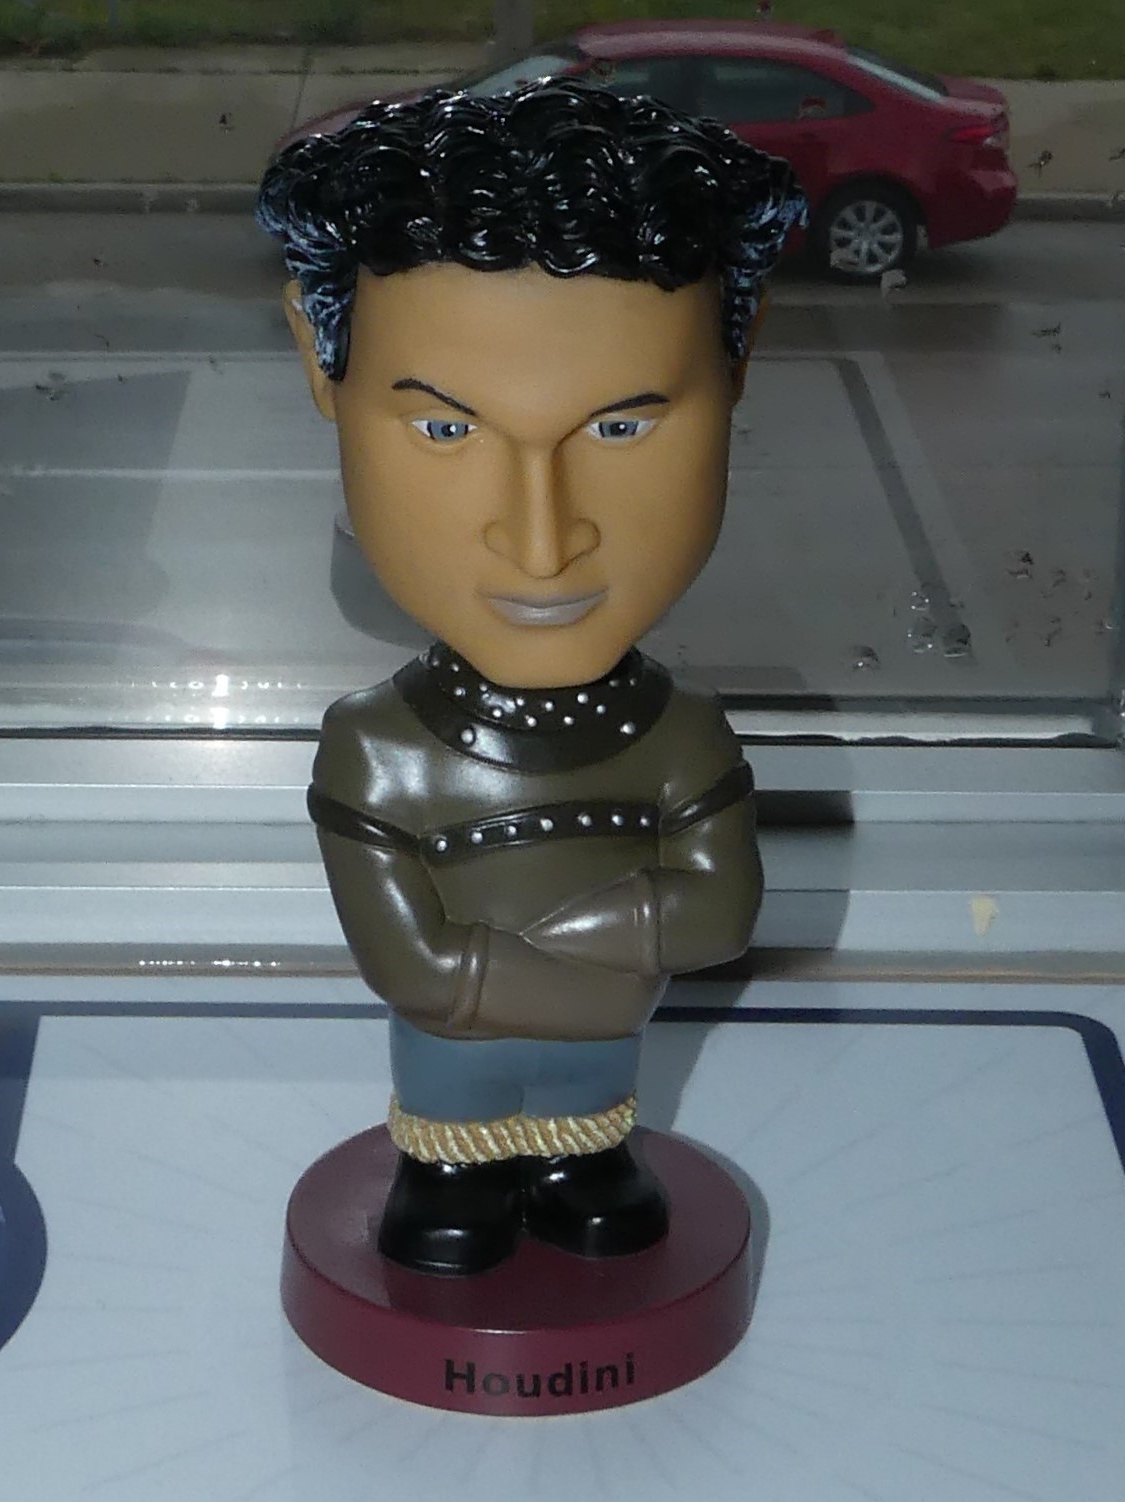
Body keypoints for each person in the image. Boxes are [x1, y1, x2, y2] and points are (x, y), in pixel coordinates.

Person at [257, 82, 805, 1274]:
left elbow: (721, 915)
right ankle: (451, 1168)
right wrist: (608, 967)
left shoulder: (681, 734)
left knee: (594, 1163)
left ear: (742, 356)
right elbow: (407, 964)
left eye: (619, 428)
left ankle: (580, 1160)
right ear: (317, 360)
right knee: (451, 1165)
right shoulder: (377, 750)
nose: (544, 544)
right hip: (475, 1061)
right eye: (446, 430)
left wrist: (544, 958)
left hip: (600, 1070)